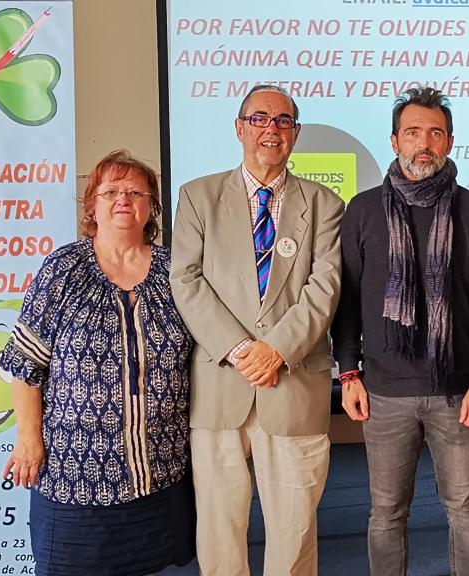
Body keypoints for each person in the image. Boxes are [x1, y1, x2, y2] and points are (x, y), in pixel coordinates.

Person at [331, 87, 469, 576]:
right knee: (387, 514)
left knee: (466, 512)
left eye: (435, 132)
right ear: (394, 141)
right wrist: (348, 372)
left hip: (457, 391)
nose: (424, 143)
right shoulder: (363, 210)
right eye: (413, 132)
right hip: (384, 392)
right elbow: (346, 300)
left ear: (450, 142)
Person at [170, 84, 343, 576]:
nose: (272, 129)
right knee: (220, 531)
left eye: (284, 121)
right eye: (260, 119)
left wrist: (277, 350)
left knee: (294, 532)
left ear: (296, 133)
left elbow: (324, 286)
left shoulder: (325, 204)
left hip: (293, 383)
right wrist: (244, 349)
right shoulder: (198, 197)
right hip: (221, 386)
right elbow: (186, 280)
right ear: (239, 128)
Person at [0, 150, 195, 576]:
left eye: (134, 192)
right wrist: (28, 437)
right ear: (92, 206)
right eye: (110, 191)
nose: (122, 199)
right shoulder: (62, 270)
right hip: (75, 483)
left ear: (150, 207)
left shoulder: (176, 272)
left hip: (161, 477)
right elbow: (25, 363)